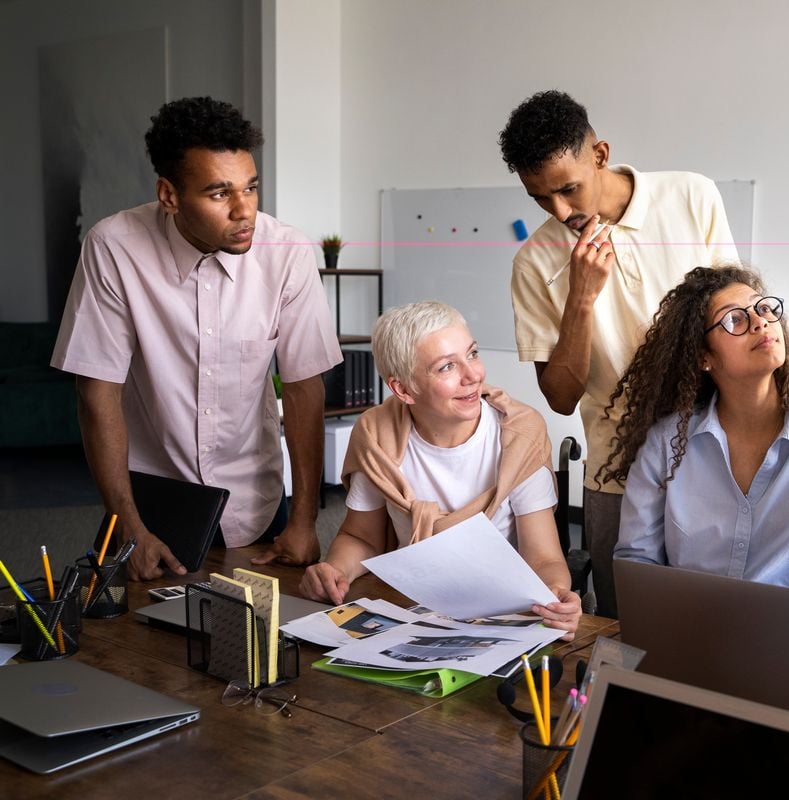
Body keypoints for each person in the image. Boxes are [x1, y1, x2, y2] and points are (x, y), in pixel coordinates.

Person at [52, 96, 341, 580]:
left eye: (251, 187)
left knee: (264, 643)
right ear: (168, 195)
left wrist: (305, 518)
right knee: (132, 649)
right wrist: (129, 526)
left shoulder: (286, 253)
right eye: (219, 193)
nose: (244, 209)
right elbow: (97, 390)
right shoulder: (113, 247)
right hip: (150, 505)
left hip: (258, 502)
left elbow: (304, 387)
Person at [500, 90, 739, 617]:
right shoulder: (535, 263)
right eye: (540, 199)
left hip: (714, 454)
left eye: (568, 189)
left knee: (716, 624)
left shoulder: (691, 196)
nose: (560, 211)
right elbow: (561, 398)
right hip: (615, 475)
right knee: (621, 627)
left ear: (600, 155)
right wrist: (581, 298)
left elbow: (731, 321)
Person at [299, 302, 581, 639]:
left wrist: (556, 595)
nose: (473, 374)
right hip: (410, 607)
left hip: (501, 611)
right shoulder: (376, 436)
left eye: (472, 354)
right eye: (447, 366)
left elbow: (544, 558)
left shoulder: (518, 436)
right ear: (403, 389)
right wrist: (335, 570)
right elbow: (362, 537)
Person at [601, 266, 789, 593]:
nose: (760, 322)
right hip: (687, 631)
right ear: (703, 357)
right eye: (735, 319)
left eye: (764, 308)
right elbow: (636, 562)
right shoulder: (665, 443)